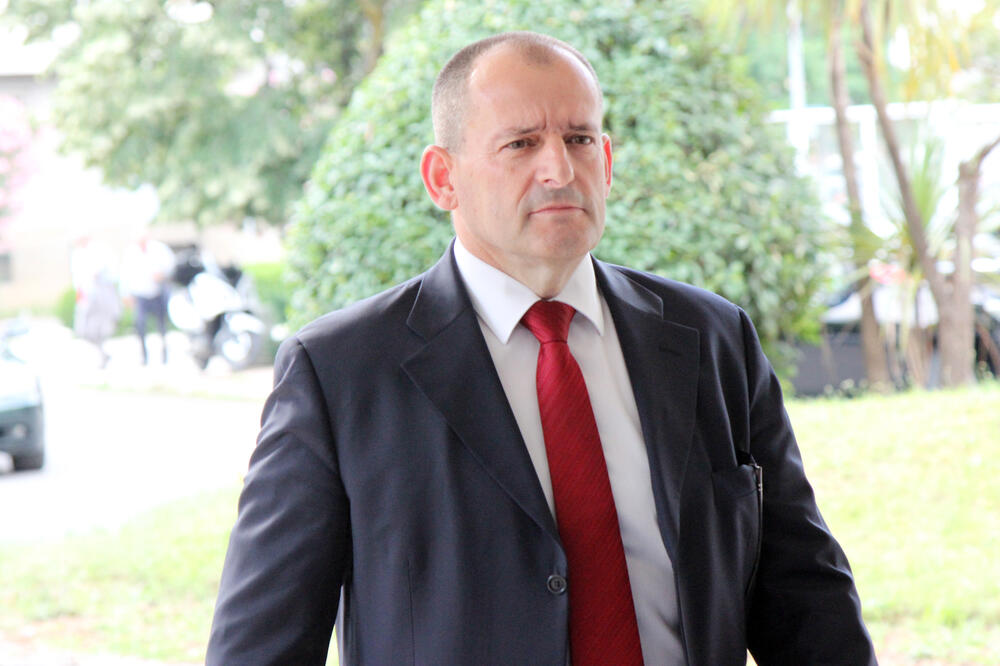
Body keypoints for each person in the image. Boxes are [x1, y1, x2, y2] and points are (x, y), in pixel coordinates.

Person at [207, 32, 877, 665]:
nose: (558, 169)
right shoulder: (339, 374)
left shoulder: (712, 338)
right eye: (521, 144)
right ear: (442, 179)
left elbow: (806, 600)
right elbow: (261, 647)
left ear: (606, 163)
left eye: (578, 139)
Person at [119, 232, 174, 365]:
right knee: (140, 324)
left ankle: (164, 353)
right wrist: (125, 293)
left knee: (162, 324)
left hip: (158, 292)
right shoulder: (130, 253)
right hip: (140, 294)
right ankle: (144, 355)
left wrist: (162, 273)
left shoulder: (159, 249)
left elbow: (170, 264)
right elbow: (124, 274)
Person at [70, 234, 120, 367]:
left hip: (100, 294)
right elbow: (78, 278)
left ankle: (102, 354)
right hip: (86, 296)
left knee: (101, 327)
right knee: (83, 329)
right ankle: (102, 353)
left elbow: (102, 270)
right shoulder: (77, 254)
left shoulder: (99, 250)